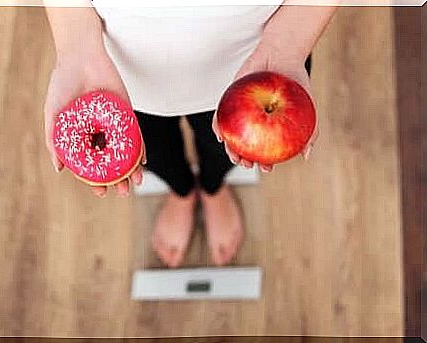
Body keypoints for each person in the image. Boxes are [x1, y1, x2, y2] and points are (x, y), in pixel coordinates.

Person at [44, 2, 338, 268]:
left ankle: (213, 188)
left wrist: (290, 41)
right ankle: (181, 191)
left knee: (223, 152)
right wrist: (75, 46)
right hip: (116, 71)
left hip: (260, 61)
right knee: (154, 153)